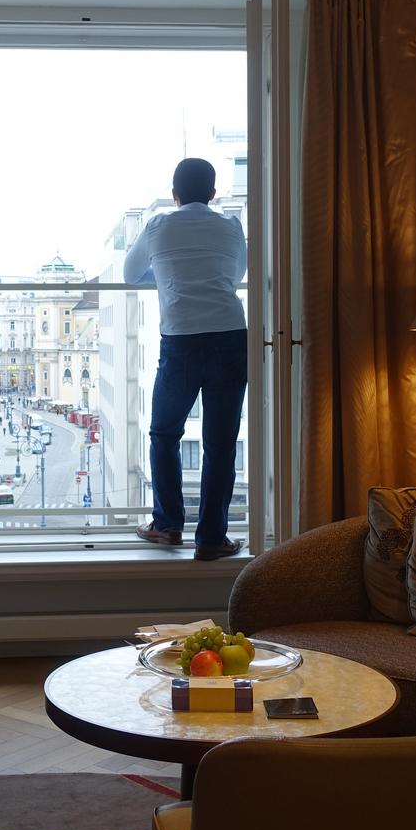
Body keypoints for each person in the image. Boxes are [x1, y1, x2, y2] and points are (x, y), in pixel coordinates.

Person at [123, 157, 248, 559]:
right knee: (220, 443)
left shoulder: (160, 224)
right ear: (212, 194)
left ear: (175, 195)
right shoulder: (231, 226)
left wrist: (163, 272)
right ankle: (211, 539)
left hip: (181, 342)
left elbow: (129, 273)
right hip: (231, 337)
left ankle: (167, 524)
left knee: (164, 434)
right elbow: (236, 274)